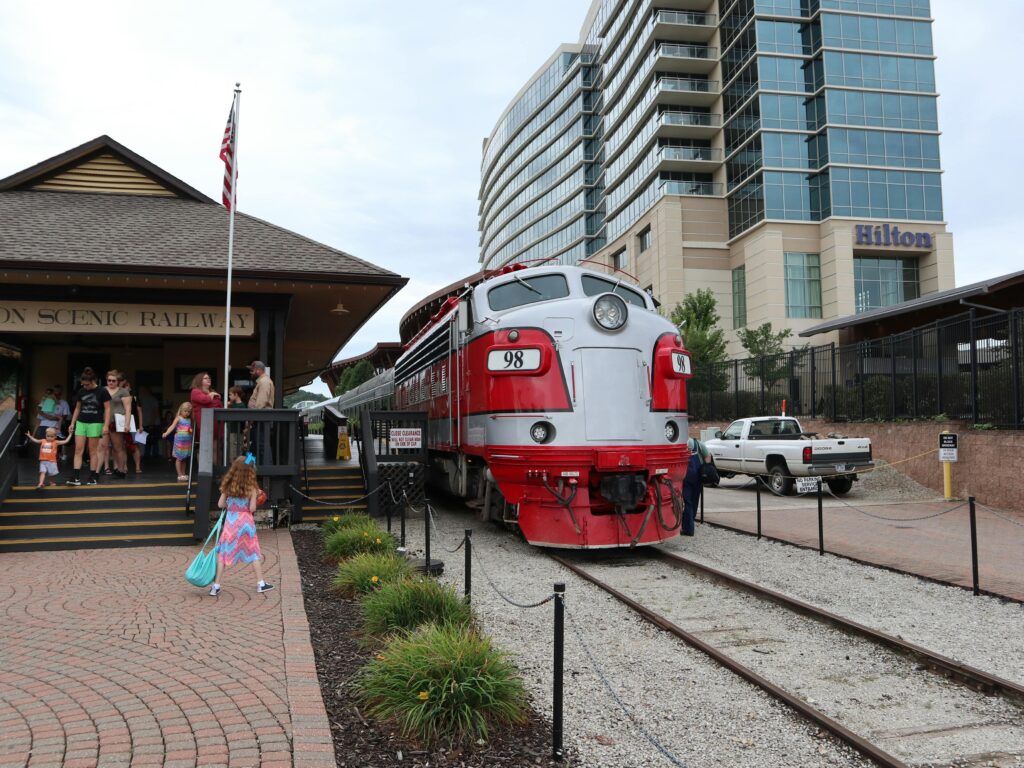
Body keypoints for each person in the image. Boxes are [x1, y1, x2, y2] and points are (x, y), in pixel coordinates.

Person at [208, 456, 273, 597]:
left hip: (231, 523)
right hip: (246, 523)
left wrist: (231, 505)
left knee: (223, 554)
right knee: (254, 552)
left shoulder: (228, 486)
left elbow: (220, 504)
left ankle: (216, 586)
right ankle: (261, 583)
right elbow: (252, 508)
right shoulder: (252, 488)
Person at [67, 370, 111, 486]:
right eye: (83, 384)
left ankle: (93, 476)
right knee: (78, 449)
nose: (85, 386)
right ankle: (76, 477)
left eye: (87, 384)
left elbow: (107, 409)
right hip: (81, 422)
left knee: (93, 451)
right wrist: (72, 423)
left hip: (95, 423)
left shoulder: (102, 391)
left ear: (93, 381)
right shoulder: (81, 391)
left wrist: (106, 425)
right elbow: (77, 408)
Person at [99, 370, 132, 478]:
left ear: (118, 381)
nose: (111, 383)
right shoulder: (102, 390)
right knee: (102, 447)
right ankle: (96, 471)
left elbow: (128, 409)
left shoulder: (123, 392)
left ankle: (121, 470)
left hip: (116, 422)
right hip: (103, 422)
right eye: (109, 380)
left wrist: (127, 424)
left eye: (114, 381)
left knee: (118, 448)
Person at [681, 435, 712, 536]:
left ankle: (688, 528)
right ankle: (691, 523)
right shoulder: (698, 444)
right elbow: (708, 455)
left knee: (687, 502)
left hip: (685, 476)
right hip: (698, 476)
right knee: (694, 501)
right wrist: (706, 467)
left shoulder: (681, 443)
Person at [247, 361, 274, 463]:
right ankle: (249, 468)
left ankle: (267, 472)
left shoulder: (264, 382)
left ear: (258, 370)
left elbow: (261, 403)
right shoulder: (262, 381)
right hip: (259, 419)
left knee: (262, 446)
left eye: (252, 370)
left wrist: (252, 418)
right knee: (255, 446)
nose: (251, 372)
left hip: (261, 419)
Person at [189, 372, 223, 451]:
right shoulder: (195, 391)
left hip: (217, 423)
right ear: (199, 380)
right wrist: (211, 394)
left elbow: (219, 405)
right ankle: (205, 464)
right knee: (206, 448)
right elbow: (205, 400)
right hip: (205, 424)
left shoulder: (211, 391)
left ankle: (215, 464)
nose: (208, 379)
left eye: (209, 378)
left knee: (216, 448)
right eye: (205, 378)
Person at [163, 402, 194, 481]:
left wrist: (191, 431)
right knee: (179, 458)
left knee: (184, 458)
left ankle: (183, 474)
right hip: (179, 442)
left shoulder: (189, 419)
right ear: (181, 410)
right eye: (185, 411)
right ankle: (179, 474)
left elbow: (190, 429)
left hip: (187, 442)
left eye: (189, 412)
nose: (187, 413)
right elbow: (172, 427)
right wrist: (166, 433)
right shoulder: (178, 418)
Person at [138, 386, 161, 458]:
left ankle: (154, 456)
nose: (142, 392)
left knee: (154, 440)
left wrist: (152, 422)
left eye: (144, 391)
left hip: (153, 423)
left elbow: (155, 412)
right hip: (146, 423)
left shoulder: (153, 399)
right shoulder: (142, 399)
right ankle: (147, 455)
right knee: (148, 440)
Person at [226, 385, 246, 458]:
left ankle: (236, 467)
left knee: (235, 452)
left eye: (230, 394)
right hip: (233, 432)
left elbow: (242, 421)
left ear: (236, 394)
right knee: (233, 451)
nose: (229, 396)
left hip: (236, 433)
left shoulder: (241, 406)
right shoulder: (233, 405)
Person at [52, 386, 72, 460]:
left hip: (61, 424)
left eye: (58, 392)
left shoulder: (64, 402)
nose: (56, 393)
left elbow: (65, 415)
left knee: (62, 440)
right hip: (51, 424)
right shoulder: (50, 401)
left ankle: (64, 455)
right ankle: (54, 455)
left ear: (61, 393)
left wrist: (59, 419)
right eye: (55, 392)